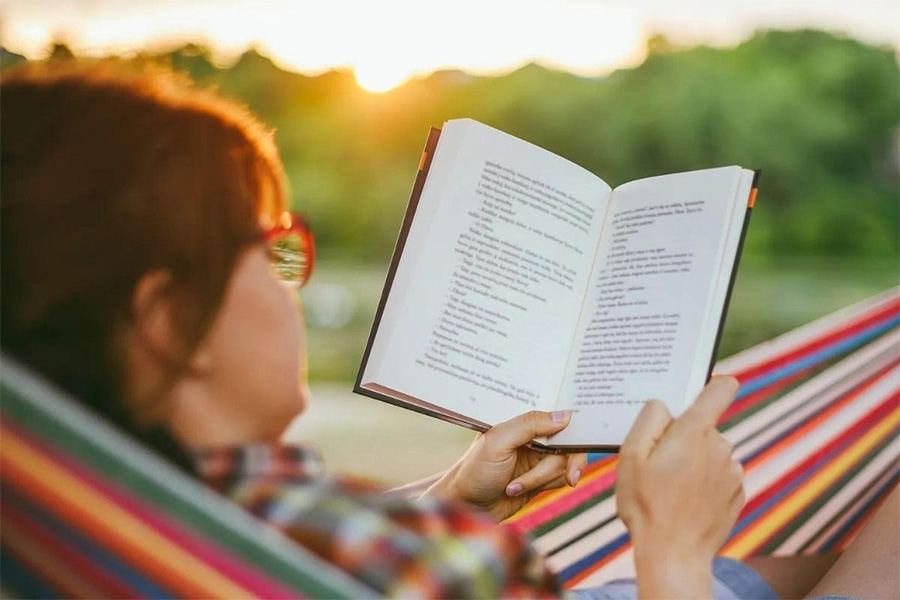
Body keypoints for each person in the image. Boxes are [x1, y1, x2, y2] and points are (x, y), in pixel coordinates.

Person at [1, 65, 896, 599]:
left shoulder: (129, 512)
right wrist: (673, 547)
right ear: (169, 324)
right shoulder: (436, 566)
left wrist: (453, 494)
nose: (294, 289)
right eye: (276, 253)